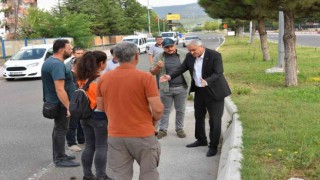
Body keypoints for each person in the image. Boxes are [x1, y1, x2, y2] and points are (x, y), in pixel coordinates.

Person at [97, 42, 164, 180]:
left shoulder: (103, 78)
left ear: (115, 57)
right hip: (143, 134)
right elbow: (157, 109)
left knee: (120, 175)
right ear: (137, 56)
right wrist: (153, 122)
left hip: (116, 135)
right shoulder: (145, 78)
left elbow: (101, 107)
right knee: (149, 173)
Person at [160, 39, 231, 157]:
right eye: (190, 50)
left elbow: (219, 72)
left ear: (201, 47)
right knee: (198, 116)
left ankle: (213, 146)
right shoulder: (189, 56)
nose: (192, 52)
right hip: (199, 91)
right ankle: (201, 139)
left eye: (194, 50)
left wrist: (207, 81)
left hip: (214, 92)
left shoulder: (214, 55)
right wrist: (169, 76)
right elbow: (181, 68)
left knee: (214, 119)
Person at [41, 39, 80, 167]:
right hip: (60, 104)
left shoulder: (50, 62)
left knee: (59, 129)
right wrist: (68, 106)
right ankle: (59, 159)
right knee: (61, 130)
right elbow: (59, 89)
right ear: (62, 50)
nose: (71, 50)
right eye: (69, 49)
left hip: (55, 102)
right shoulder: (57, 65)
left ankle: (61, 155)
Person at [75, 51, 111, 180]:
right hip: (100, 116)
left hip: (85, 115)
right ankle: (101, 176)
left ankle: (87, 175)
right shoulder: (102, 79)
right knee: (102, 146)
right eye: (105, 62)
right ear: (101, 63)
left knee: (89, 145)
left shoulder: (82, 77)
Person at [150, 38, 191, 139]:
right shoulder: (158, 57)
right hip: (165, 88)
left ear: (175, 44)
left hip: (182, 87)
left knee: (180, 109)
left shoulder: (184, 54)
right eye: (166, 47)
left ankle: (179, 129)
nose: (169, 49)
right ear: (162, 47)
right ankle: (163, 130)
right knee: (164, 110)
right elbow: (152, 72)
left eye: (171, 46)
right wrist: (158, 67)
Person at [65, 46, 85, 152]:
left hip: (82, 100)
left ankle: (82, 139)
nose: (80, 55)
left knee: (82, 121)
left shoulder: (84, 71)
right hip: (73, 100)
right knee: (73, 122)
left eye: (82, 53)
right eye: (78, 53)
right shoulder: (68, 70)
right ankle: (71, 143)